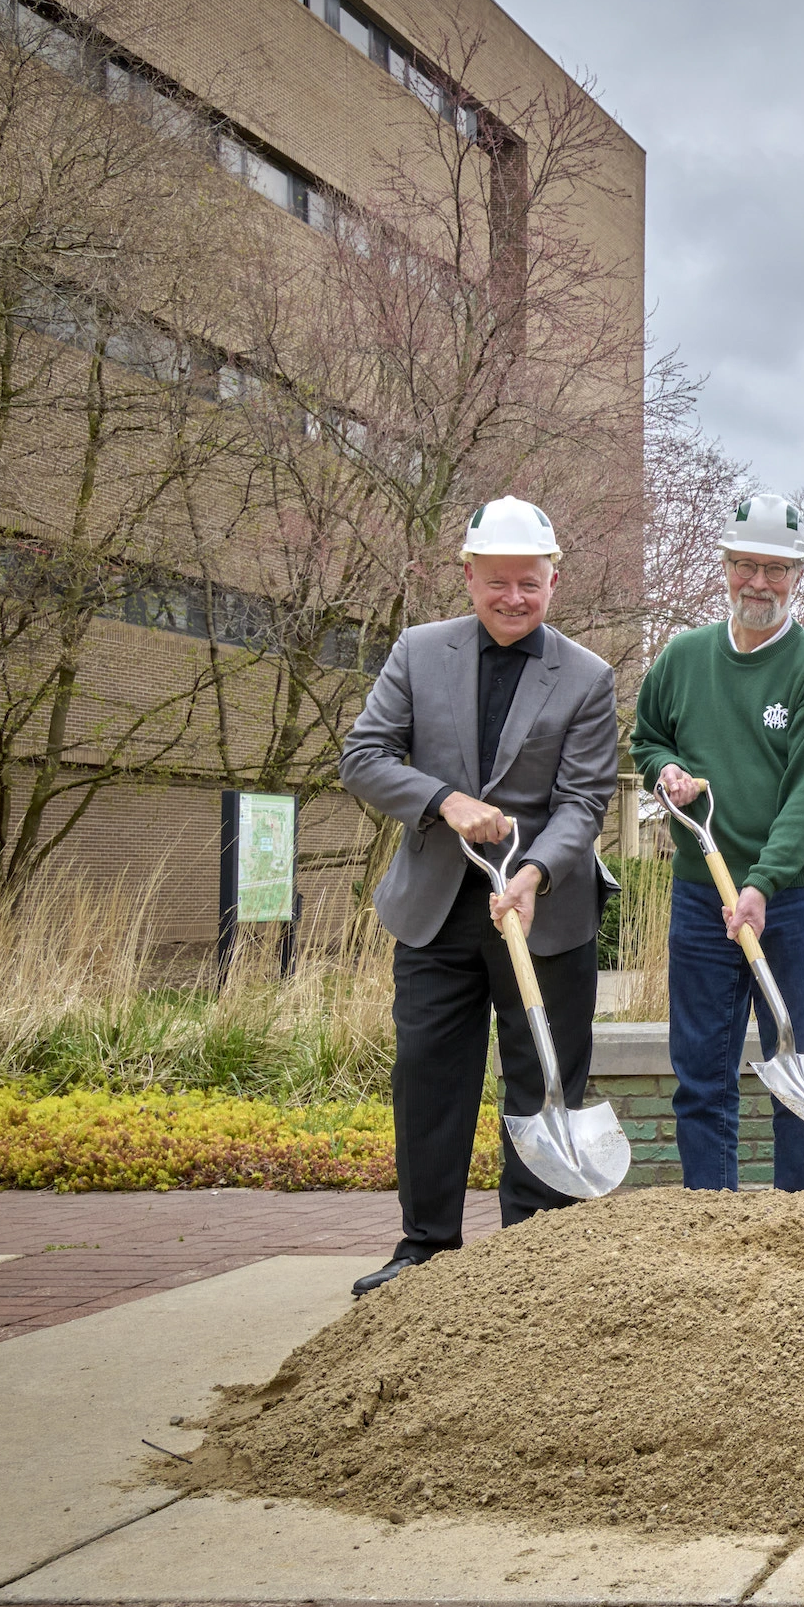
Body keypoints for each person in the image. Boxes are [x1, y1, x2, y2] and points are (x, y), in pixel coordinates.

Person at [339, 498, 621, 1295]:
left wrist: (535, 873)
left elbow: (584, 801)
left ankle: (531, 1255)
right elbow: (363, 756)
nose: (513, 599)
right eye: (497, 582)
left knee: (541, 1080)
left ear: (553, 580)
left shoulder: (588, 676)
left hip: (544, 912)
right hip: (435, 909)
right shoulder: (418, 653)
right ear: (468, 575)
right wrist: (442, 801)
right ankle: (425, 1248)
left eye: (529, 583)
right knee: (430, 1075)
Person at [630, 494, 804, 1193]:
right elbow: (648, 736)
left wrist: (762, 885)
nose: (759, 582)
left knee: (798, 1068)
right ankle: (712, 1219)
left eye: (776, 569)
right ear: (725, 566)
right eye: (746, 565)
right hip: (702, 893)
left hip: (795, 897)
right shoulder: (683, 658)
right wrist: (662, 769)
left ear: (797, 576)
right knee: (700, 1070)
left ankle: (801, 1228)